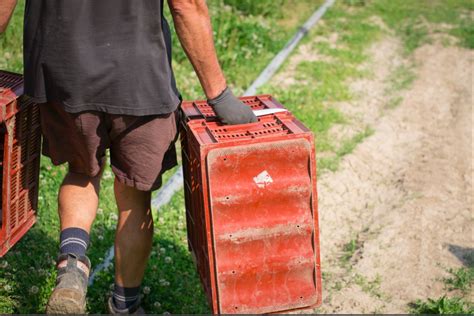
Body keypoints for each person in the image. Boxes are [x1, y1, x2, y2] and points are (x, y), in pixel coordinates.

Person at [0, 0, 257, 313]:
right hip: (139, 76)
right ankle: (125, 306)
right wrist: (220, 95)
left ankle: (71, 268)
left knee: (82, 172)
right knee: (135, 194)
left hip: (63, 71)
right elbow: (186, 6)